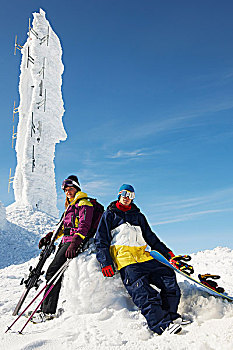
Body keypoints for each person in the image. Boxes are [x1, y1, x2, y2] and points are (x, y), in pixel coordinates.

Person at [95, 184, 185, 335]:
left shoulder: (138, 216)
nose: (127, 197)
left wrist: (169, 254)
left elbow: (151, 238)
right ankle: (161, 325)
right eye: (124, 193)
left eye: (131, 195)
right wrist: (105, 262)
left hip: (144, 257)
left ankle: (170, 315)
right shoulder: (110, 214)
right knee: (142, 290)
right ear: (119, 194)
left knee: (168, 276)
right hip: (126, 260)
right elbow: (101, 240)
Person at [36, 175, 94, 322]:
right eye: (66, 190)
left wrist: (75, 243)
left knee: (52, 272)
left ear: (77, 188)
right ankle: (47, 307)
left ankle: (48, 311)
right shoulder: (70, 206)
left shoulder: (84, 203)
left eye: (71, 189)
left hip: (74, 241)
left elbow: (84, 225)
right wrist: (50, 237)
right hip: (65, 241)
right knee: (53, 273)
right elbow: (62, 227)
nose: (68, 192)